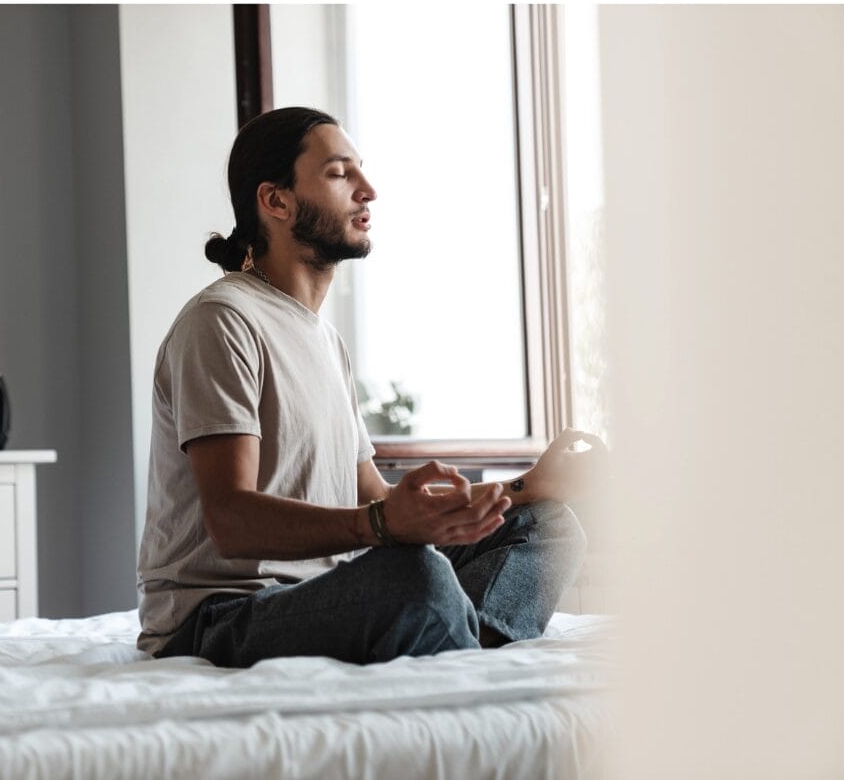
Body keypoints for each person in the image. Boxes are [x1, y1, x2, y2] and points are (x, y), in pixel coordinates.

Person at [136, 106, 603, 667]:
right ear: (276, 201)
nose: (369, 190)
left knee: (546, 526)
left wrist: (530, 486)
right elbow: (231, 520)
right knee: (419, 578)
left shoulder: (327, 342)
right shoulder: (222, 321)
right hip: (221, 617)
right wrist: (378, 529)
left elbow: (376, 498)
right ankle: (457, 636)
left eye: (361, 171)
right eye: (339, 174)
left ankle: (461, 642)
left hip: (323, 593)